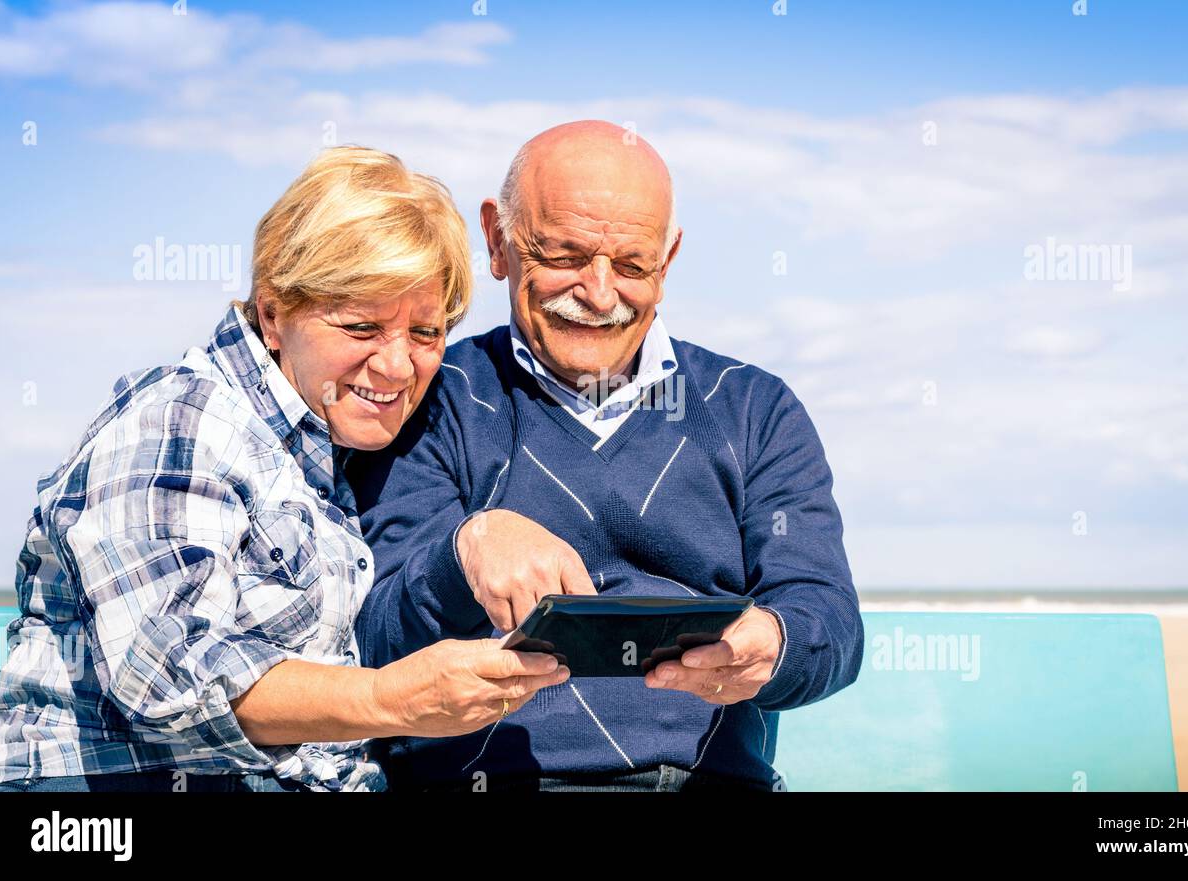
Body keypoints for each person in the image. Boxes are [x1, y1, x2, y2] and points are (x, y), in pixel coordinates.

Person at [0, 146, 569, 793]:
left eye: (426, 333)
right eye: (361, 325)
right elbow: (168, 673)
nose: (399, 365)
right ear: (273, 311)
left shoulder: (325, 451)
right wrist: (391, 698)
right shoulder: (182, 416)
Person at [350, 121, 864, 792]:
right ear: (497, 241)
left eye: (630, 265)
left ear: (669, 259)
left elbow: (830, 619)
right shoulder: (427, 399)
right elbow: (370, 643)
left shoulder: (754, 409)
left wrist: (776, 640)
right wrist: (463, 554)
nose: (597, 293)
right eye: (563, 255)